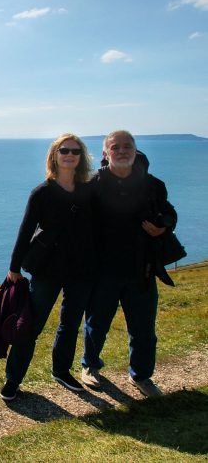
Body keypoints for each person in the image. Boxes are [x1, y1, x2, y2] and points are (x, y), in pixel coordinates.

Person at [81, 130, 177, 397]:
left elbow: (169, 212)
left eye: (127, 146)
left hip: (142, 269)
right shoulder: (92, 184)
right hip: (103, 270)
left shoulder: (153, 185)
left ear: (135, 151)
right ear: (105, 153)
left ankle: (142, 376)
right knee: (96, 323)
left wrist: (164, 227)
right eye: (115, 147)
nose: (121, 151)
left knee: (144, 328)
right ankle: (89, 366)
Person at [1, 133, 96, 401]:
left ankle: (61, 371)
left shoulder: (89, 190)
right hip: (48, 269)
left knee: (70, 323)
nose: (69, 155)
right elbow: (25, 230)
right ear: (54, 156)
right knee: (30, 326)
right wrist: (14, 267)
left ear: (81, 157)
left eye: (75, 151)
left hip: (82, 268)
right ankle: (13, 379)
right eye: (63, 150)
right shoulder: (42, 192)